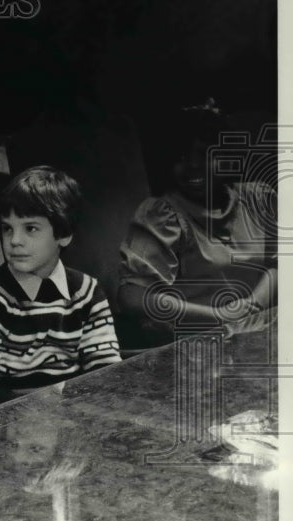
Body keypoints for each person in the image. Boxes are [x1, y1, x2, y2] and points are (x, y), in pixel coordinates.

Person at [0, 166, 121, 405]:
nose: (14, 241)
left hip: (76, 415)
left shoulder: (87, 292)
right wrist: (35, 407)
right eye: (7, 228)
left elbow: (107, 371)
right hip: (9, 423)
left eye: (30, 228)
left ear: (64, 234)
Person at [118, 100, 277, 346]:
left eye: (205, 154)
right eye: (181, 156)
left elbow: (282, 264)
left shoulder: (258, 199)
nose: (192, 165)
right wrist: (218, 316)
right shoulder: (162, 215)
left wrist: (253, 304)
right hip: (200, 344)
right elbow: (132, 296)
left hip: (261, 332)